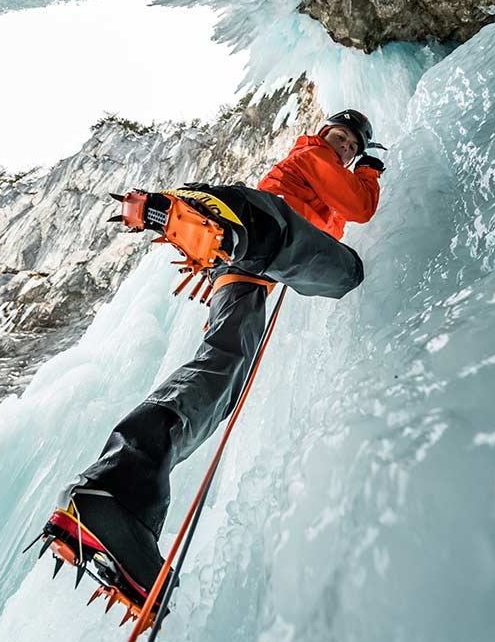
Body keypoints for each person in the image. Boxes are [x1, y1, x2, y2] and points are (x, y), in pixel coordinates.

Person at [32, 109, 386, 615]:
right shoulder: (315, 154)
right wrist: (367, 169)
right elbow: (360, 205)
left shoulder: (314, 167)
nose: (344, 146)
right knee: (345, 269)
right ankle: (211, 219)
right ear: (326, 134)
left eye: (351, 145)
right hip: (258, 234)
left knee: (222, 372)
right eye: (341, 136)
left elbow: (335, 214)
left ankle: (118, 496)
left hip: (244, 266)